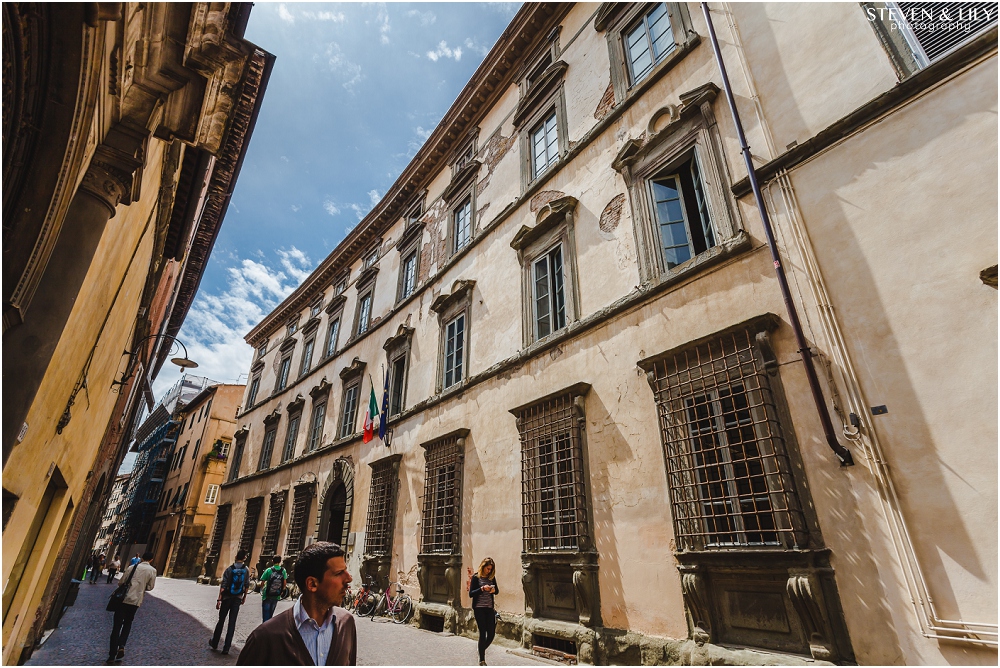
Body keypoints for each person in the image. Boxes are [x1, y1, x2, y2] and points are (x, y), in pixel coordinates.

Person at [238, 542, 356, 666]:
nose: (349, 579)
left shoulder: (346, 623)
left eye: (346, 571)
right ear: (312, 584)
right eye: (338, 573)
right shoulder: (264, 638)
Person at [107, 551, 156, 664]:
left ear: (142, 558)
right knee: (128, 623)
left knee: (116, 627)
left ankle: (111, 655)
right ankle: (122, 645)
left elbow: (121, 582)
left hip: (123, 600)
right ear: (151, 560)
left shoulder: (132, 567)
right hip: (135, 601)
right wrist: (141, 587)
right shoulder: (152, 571)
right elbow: (150, 587)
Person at [211, 549, 251, 655]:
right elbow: (247, 585)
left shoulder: (230, 569)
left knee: (221, 620)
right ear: (244, 558)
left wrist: (219, 599)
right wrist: (244, 597)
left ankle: (214, 642)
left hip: (227, 598)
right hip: (237, 598)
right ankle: (226, 647)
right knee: (232, 622)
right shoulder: (246, 569)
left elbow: (223, 586)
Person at [469, 557, 499, 666]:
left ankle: (481, 649)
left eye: (491, 569)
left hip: (489, 608)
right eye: (488, 568)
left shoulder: (492, 578)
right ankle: (482, 660)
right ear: (483, 567)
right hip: (479, 608)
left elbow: (497, 591)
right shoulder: (476, 577)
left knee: (491, 634)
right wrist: (482, 589)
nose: (489, 571)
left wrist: (493, 590)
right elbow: (471, 593)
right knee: (483, 632)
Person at [259, 555, 288, 623]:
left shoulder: (269, 570)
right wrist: (282, 591)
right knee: (271, 614)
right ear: (280, 561)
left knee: (266, 614)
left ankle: (264, 628)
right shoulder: (283, 570)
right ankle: (268, 628)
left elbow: (262, 581)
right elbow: (284, 582)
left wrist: (262, 589)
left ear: (272, 561)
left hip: (267, 594)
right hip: (276, 595)